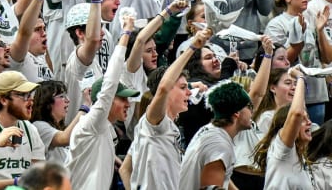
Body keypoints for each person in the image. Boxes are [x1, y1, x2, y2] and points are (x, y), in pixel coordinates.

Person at [120, 29, 211, 189]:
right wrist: (193, 47)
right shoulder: (154, 124)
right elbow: (163, 87)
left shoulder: (160, 126)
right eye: (183, 87)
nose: (189, 92)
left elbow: (125, 169)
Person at [67, 15, 140, 190]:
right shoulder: (92, 123)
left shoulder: (105, 129)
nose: (128, 104)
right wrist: (126, 33)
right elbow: (111, 81)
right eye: (122, 99)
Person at [178, 80, 253, 190]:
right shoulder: (219, 145)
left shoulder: (210, 131)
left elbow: (222, 174)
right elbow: (210, 188)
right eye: (249, 106)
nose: (252, 111)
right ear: (237, 112)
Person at [253, 69, 314, 188]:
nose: (309, 123)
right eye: (288, 83)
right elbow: (296, 113)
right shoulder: (282, 149)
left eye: (295, 84)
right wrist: (301, 78)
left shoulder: (299, 156)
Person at [31, 80, 90, 165]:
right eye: (62, 96)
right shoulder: (38, 126)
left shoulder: (58, 128)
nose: (68, 100)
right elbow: (64, 138)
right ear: (46, 102)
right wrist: (86, 105)